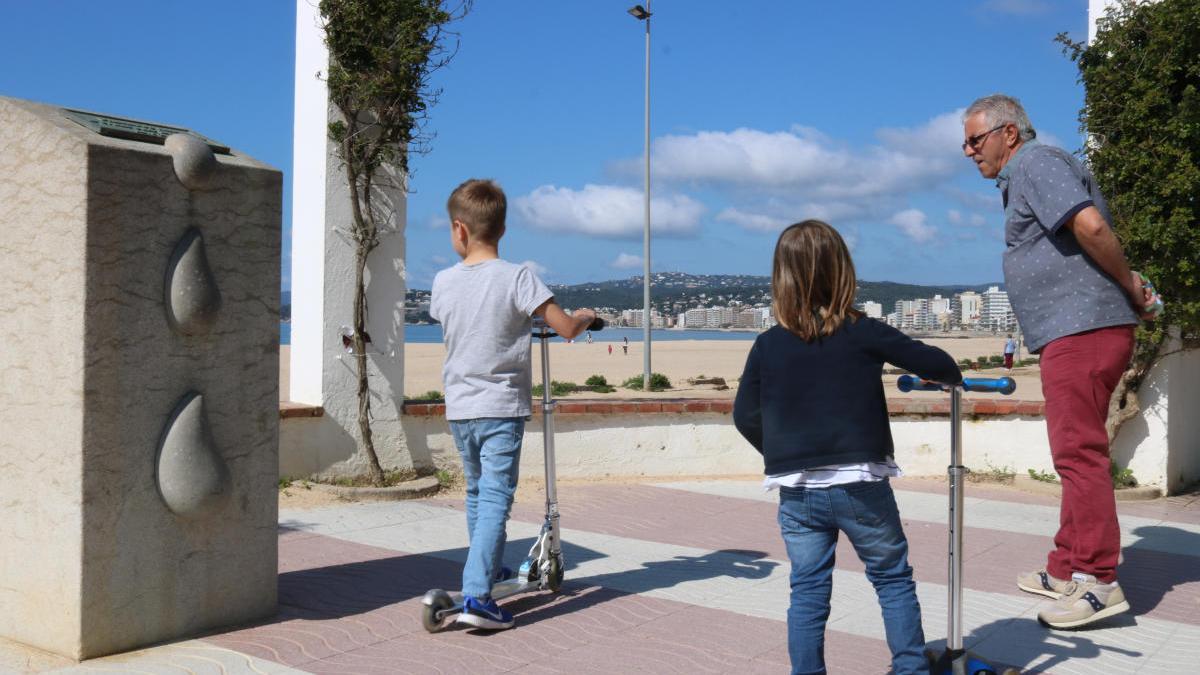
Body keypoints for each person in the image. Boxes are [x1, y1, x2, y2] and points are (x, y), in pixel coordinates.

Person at [962, 94, 1156, 629]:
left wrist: (1129, 284)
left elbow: (1090, 227)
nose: (968, 151)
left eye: (975, 140)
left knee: (1078, 453)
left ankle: (1098, 583)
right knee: (1075, 451)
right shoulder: (1027, 170)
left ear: (1009, 133)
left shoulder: (1036, 163)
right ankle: (1067, 567)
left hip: (1084, 328)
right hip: (1073, 330)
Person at [734, 219, 960, 675]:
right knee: (892, 579)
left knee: (808, 590)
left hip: (797, 492)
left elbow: (745, 415)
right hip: (861, 487)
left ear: (783, 277)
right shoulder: (863, 331)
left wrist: (784, 450)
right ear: (842, 272)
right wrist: (944, 377)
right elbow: (942, 365)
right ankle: (910, 669)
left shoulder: (768, 344)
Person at [430, 178, 595, 631]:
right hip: (500, 406)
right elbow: (562, 327)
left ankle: (486, 568)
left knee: (476, 492)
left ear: (459, 230)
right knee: (497, 499)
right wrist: (582, 318)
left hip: (461, 406)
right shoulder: (518, 276)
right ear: (500, 230)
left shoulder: (443, 281)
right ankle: (478, 595)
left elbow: (455, 319)